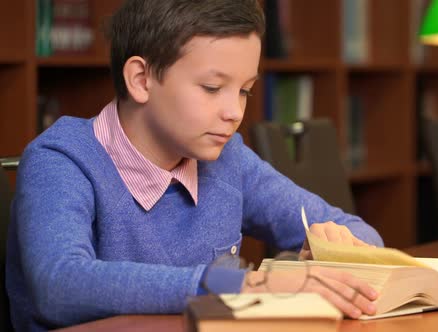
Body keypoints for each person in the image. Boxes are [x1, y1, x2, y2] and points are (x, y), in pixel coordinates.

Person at [6, 0, 384, 330]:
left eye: (245, 90)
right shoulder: (61, 160)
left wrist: (335, 248)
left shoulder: (228, 159)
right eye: (211, 88)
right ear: (141, 79)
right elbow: (59, 285)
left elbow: (362, 233)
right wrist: (235, 284)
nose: (234, 112)